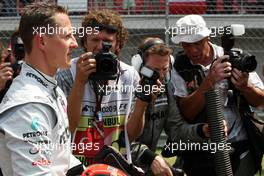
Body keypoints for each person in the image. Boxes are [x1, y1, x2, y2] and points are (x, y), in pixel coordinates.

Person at [170, 14, 264, 176]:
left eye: (197, 43)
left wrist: (246, 87)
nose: (192, 50)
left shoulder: (232, 57)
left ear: (207, 37)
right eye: (186, 45)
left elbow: (261, 102)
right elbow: (186, 112)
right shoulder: (179, 66)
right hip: (202, 148)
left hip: (239, 141)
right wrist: (209, 81)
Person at [0, 2, 83, 175]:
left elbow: (60, 157)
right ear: (43, 41)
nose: (75, 43)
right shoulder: (28, 105)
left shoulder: (51, 89)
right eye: (67, 36)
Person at [56, 9, 145, 168]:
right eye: (94, 40)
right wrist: (80, 82)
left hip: (116, 165)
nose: (100, 46)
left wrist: (143, 103)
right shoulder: (67, 73)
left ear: (118, 43)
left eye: (107, 41)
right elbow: (66, 127)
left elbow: (131, 135)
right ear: (84, 42)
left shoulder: (130, 76)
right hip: (76, 166)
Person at [130, 37, 213, 176]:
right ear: (139, 65)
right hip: (120, 162)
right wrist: (150, 157)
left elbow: (176, 130)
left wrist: (202, 130)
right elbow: (117, 142)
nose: (161, 76)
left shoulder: (166, 89)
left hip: (145, 164)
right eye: (155, 70)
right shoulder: (125, 86)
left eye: (165, 69)